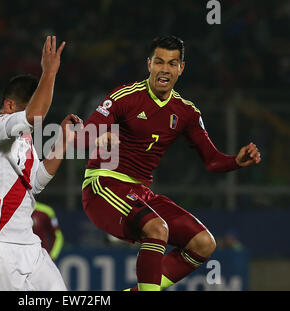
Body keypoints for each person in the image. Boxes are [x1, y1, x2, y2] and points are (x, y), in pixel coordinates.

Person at [80, 35, 261, 291]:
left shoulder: (186, 111)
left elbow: (212, 161)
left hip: (140, 193)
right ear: (149, 64)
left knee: (203, 243)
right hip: (103, 185)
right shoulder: (125, 97)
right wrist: (98, 137)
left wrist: (236, 161)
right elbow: (80, 137)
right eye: (159, 62)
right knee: (157, 228)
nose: (165, 69)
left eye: (172, 63)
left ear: (181, 68)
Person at [0, 36, 82, 291]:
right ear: (9, 105)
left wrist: (63, 140)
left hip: (29, 246)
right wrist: (49, 72)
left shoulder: (24, 139)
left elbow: (36, 182)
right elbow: (36, 115)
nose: (35, 116)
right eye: (27, 107)